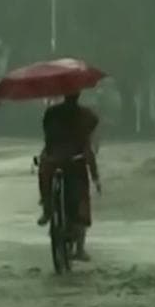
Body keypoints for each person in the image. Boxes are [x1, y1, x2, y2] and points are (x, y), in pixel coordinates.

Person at [36, 93, 101, 261]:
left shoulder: (51, 113)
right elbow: (88, 148)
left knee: (44, 171)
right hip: (75, 161)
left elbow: (47, 137)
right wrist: (96, 177)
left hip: (52, 159)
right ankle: (79, 249)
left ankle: (47, 207)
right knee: (82, 201)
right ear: (78, 95)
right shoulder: (86, 115)